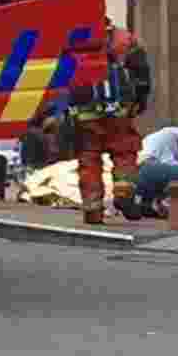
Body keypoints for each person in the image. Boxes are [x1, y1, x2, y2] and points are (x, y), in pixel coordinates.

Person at [66, 18, 152, 225]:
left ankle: (92, 208)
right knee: (124, 152)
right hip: (118, 109)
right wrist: (140, 101)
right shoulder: (124, 39)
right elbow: (141, 73)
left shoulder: (67, 39)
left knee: (89, 158)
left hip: (84, 111)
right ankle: (123, 191)